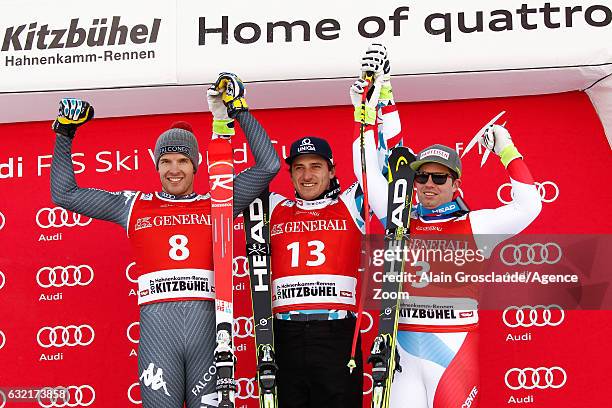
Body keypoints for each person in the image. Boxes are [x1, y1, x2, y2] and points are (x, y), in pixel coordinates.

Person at [50, 73, 280, 408]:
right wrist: (65, 134)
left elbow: (269, 164)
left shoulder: (219, 201)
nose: (174, 169)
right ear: (156, 165)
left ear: (196, 166)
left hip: (209, 337)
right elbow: (64, 193)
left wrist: (239, 110)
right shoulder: (132, 205)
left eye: (183, 160)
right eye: (166, 161)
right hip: (160, 337)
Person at [354, 48, 543, 408]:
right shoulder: (399, 217)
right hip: (403, 352)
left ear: (456, 184)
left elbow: (529, 205)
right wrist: (369, 110)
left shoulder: (476, 225)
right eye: (422, 176)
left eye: (439, 177)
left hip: (452, 354)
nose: (428, 183)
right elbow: (370, 171)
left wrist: (507, 150)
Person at [266, 44, 401, 408]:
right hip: (285, 335)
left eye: (315, 166)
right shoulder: (274, 206)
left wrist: (379, 99)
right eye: (298, 168)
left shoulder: (351, 203)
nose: (307, 175)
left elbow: (390, 165)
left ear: (331, 169)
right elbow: (256, 171)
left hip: (337, 332)